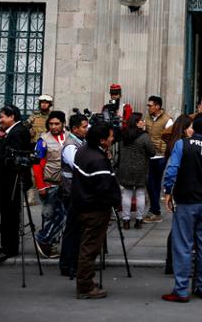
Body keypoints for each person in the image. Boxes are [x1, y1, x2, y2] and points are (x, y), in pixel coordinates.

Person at [161, 113, 202, 303]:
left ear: (194, 127)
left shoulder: (183, 144)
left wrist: (168, 191)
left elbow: (172, 170)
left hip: (186, 201)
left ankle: (181, 290)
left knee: (183, 244)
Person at [71, 119, 121, 299]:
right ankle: (85, 286)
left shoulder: (84, 151)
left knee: (87, 245)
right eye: (110, 136)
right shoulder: (97, 159)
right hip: (95, 209)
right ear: (102, 140)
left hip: (83, 205)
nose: (113, 139)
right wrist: (115, 201)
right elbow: (104, 189)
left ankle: (87, 282)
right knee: (90, 248)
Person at [0, 104, 32, 263]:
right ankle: (7, 245)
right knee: (8, 214)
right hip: (11, 181)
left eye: (2, 117)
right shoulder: (16, 131)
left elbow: (11, 158)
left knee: (10, 214)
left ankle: (9, 247)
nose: (0, 120)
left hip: (12, 181)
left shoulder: (17, 133)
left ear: (12, 117)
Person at [162, 115, 195, 275]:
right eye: (191, 127)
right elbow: (172, 170)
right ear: (184, 129)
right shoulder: (181, 145)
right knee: (180, 229)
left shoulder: (179, 143)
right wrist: (168, 191)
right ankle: (174, 263)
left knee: (178, 228)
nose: (193, 130)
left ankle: (171, 263)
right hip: (179, 190)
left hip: (179, 189)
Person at [32, 110, 67, 258]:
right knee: (50, 215)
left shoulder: (69, 137)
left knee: (62, 215)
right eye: (51, 124)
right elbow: (37, 165)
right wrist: (41, 186)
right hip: (49, 184)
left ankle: (49, 241)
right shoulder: (43, 140)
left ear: (63, 124)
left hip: (65, 185)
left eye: (57, 124)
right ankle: (46, 242)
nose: (54, 127)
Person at [58, 113, 89, 278]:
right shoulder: (71, 146)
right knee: (72, 230)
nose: (87, 129)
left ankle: (75, 262)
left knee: (78, 229)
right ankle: (68, 264)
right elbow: (78, 166)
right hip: (71, 192)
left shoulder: (81, 142)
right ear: (75, 129)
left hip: (77, 192)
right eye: (84, 127)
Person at [116, 112, 155, 229]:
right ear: (136, 123)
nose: (143, 122)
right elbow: (152, 152)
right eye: (141, 121)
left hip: (125, 168)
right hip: (140, 169)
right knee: (140, 193)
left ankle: (126, 221)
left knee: (126, 194)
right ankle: (138, 220)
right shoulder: (144, 136)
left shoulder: (124, 135)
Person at [144, 95, 173, 223]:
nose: (148, 107)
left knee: (154, 182)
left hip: (160, 155)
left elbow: (171, 138)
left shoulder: (168, 120)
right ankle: (154, 210)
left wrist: (166, 152)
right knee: (150, 183)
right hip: (149, 154)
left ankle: (155, 211)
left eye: (150, 105)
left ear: (157, 106)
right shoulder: (147, 118)